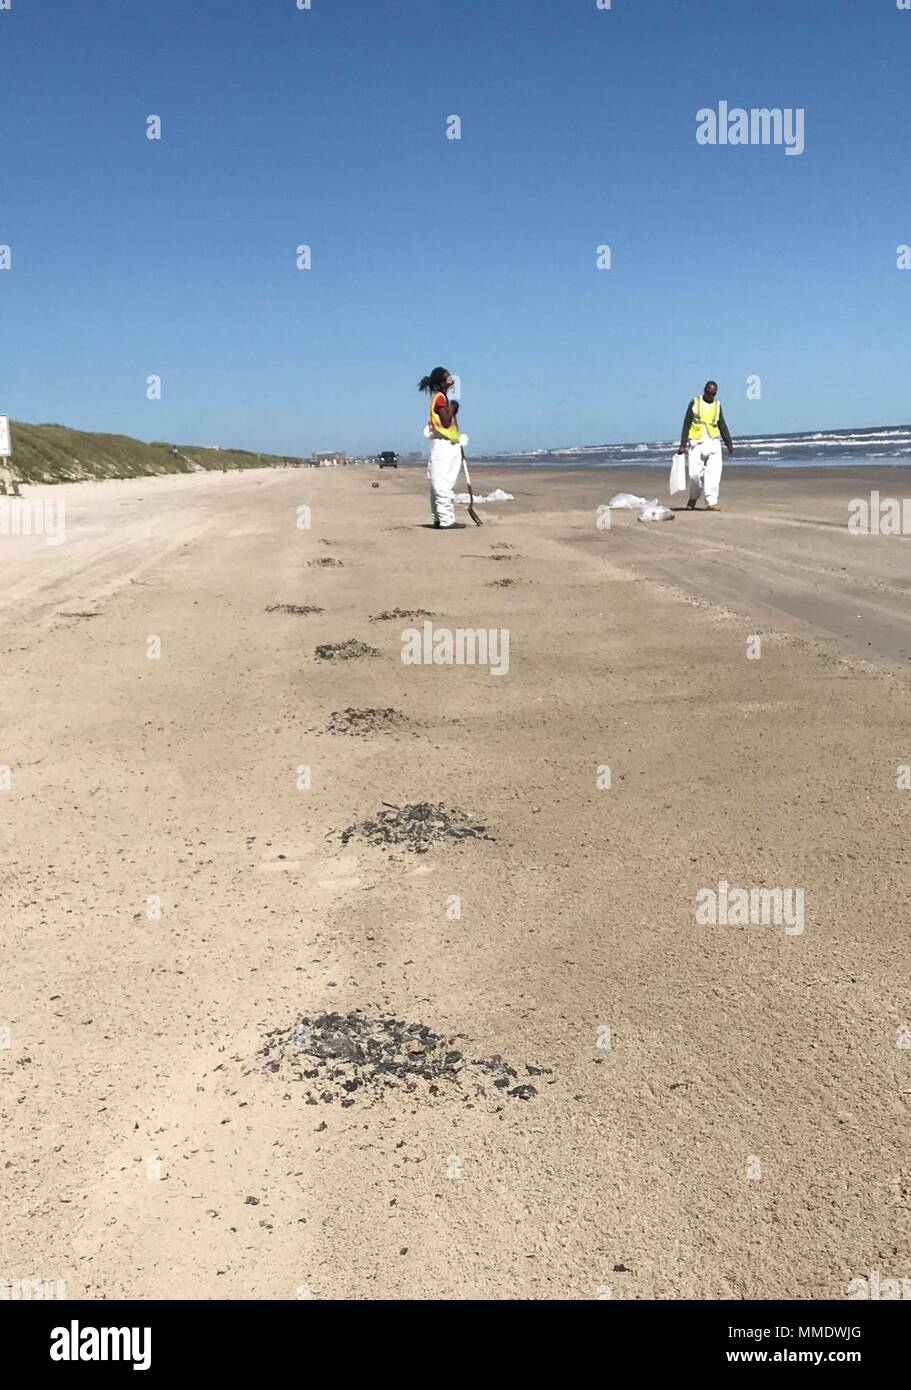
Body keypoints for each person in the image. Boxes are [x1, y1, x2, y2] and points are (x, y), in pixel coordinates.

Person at [675, 380, 733, 511]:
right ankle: (693, 497)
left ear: (715, 394)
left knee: (714, 474)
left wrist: (728, 443)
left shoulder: (717, 405)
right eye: (708, 392)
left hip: (713, 442)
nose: (710, 396)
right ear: (704, 391)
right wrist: (683, 445)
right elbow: (687, 423)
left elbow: (722, 424)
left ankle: (711, 501)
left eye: (713, 394)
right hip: (697, 442)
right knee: (694, 474)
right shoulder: (695, 402)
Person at [418, 367, 464, 528]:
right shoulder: (440, 398)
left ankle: (438, 518)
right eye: (448, 377)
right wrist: (453, 408)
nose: (451, 378)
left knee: (437, 482)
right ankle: (446, 520)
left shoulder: (439, 397)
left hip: (442, 443)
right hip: (444, 445)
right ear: (442, 382)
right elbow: (445, 422)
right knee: (443, 482)